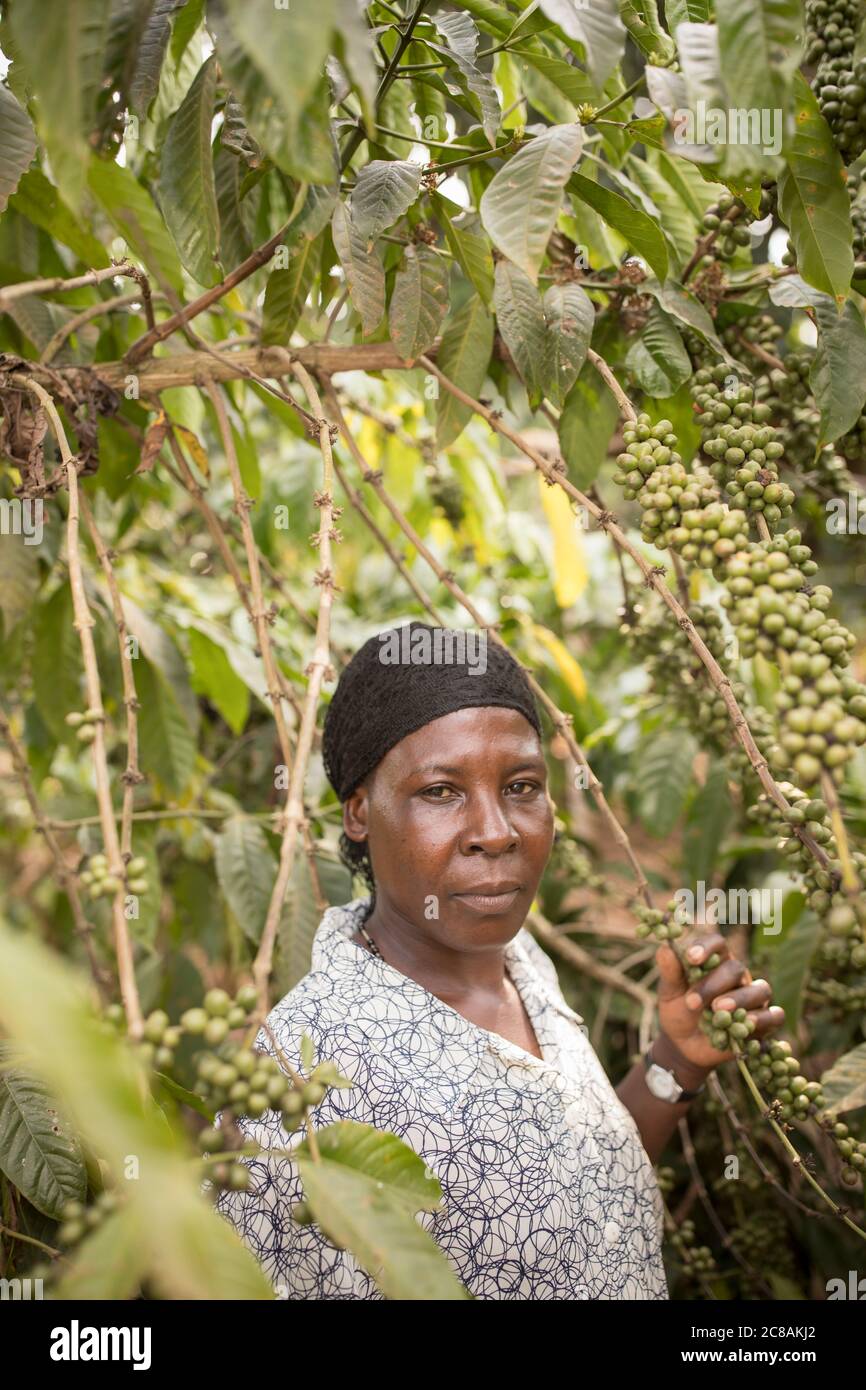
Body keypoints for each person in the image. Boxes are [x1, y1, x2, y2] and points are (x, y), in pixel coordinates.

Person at [214, 621, 784, 1299]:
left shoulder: (518, 956)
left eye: (520, 786)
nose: (496, 832)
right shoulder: (304, 1072)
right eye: (440, 792)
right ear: (360, 812)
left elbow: (575, 1183)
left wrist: (677, 1063)